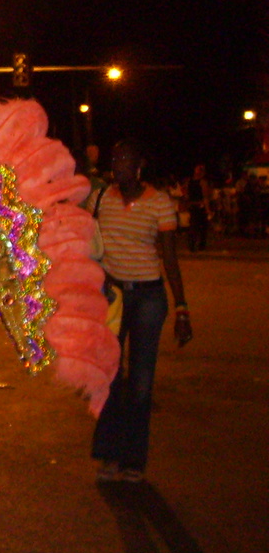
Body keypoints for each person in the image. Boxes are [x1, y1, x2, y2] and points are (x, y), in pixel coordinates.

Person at [91, 139, 192, 482]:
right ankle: (109, 456)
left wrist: (181, 308)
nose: (118, 163)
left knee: (141, 383)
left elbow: (170, 259)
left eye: (125, 158)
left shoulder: (160, 203)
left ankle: (134, 459)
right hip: (114, 297)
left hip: (149, 296)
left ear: (140, 164)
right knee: (109, 376)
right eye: (115, 157)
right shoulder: (101, 198)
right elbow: (88, 242)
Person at [184, 164, 210, 252]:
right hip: (199, 206)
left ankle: (193, 244)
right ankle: (199, 245)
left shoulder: (189, 182)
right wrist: (208, 210)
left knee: (194, 226)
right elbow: (205, 197)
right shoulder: (202, 182)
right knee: (201, 227)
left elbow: (186, 195)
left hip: (193, 205)